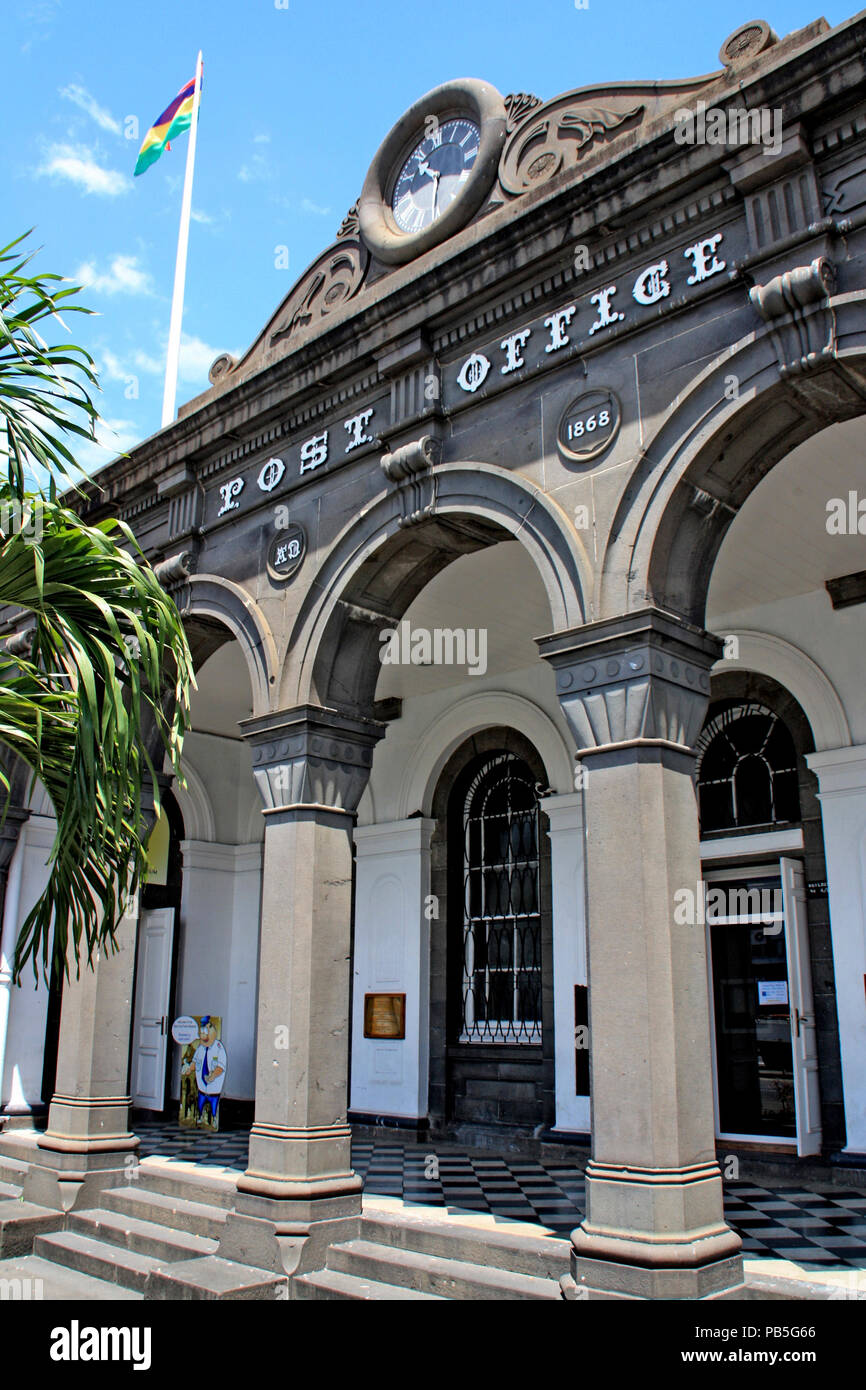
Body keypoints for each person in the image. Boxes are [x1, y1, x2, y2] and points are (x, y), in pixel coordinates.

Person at [192, 1017, 227, 1128]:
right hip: (202, 1086)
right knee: (201, 1102)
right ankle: (200, 1117)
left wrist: (213, 1076)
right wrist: (188, 1068)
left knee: (213, 1104)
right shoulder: (201, 1048)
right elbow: (195, 1061)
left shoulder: (218, 1047)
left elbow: (221, 1066)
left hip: (213, 1087)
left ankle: (214, 1119)